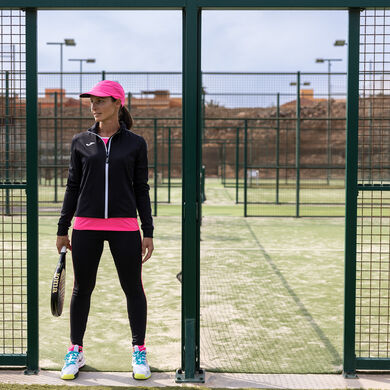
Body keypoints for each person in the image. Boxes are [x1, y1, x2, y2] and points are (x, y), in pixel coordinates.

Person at [56, 80, 154, 381]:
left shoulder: (136, 144)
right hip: (86, 227)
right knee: (81, 289)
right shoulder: (80, 142)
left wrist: (147, 230)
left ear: (117, 104)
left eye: (100, 101)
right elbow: (73, 186)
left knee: (132, 288)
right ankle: (76, 350)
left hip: (125, 227)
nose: (93, 106)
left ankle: (139, 350)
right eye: (91, 101)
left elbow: (141, 188)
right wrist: (63, 227)